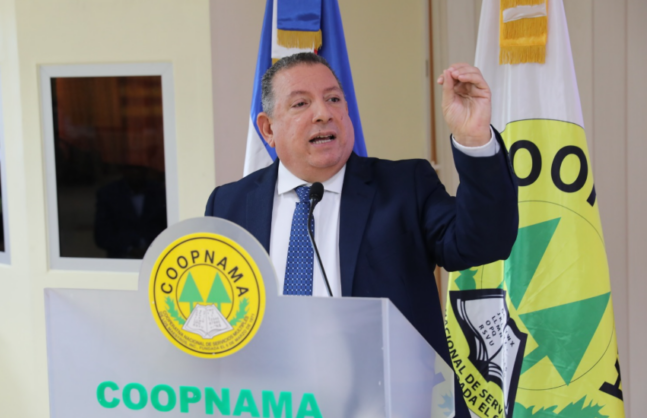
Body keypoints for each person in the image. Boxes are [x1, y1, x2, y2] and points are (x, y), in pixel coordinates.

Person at [205, 53, 517, 414]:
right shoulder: (228, 205)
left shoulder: (406, 187)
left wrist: (474, 139)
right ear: (268, 129)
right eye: (301, 103)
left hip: (390, 406)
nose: (323, 113)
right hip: (269, 403)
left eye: (333, 98)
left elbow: (485, 242)